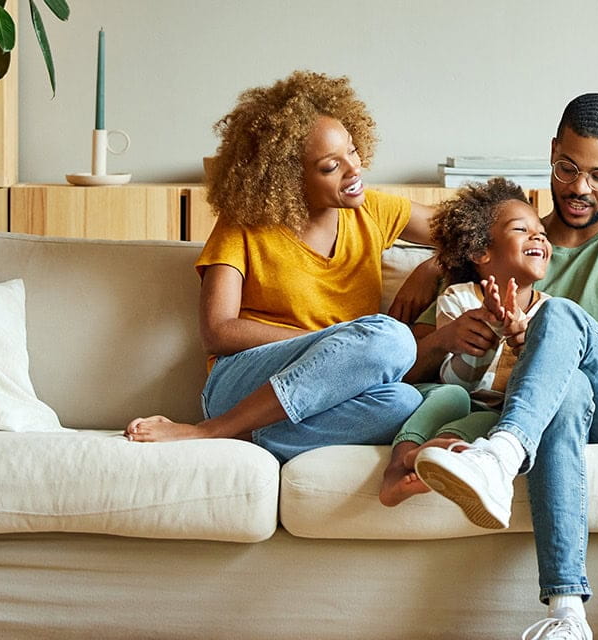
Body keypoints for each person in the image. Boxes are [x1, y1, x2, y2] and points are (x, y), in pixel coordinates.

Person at [403, 93, 598, 639]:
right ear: (553, 152)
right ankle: (567, 616)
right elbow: (411, 359)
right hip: (564, 413)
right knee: (566, 391)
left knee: (558, 317)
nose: (580, 188)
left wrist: (550, 344)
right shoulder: (503, 245)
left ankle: (502, 455)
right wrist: (439, 266)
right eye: (568, 168)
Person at [124, 71, 440, 464]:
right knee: (392, 340)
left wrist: (435, 263)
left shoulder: (374, 210)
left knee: (404, 401)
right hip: (243, 380)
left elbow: (475, 233)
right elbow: (218, 331)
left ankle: (249, 435)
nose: (354, 169)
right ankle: (209, 429)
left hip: (331, 389)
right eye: (330, 166)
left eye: (353, 152)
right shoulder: (244, 224)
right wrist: (334, 342)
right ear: (288, 179)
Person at [378, 178, 552, 507]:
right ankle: (395, 469)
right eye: (521, 230)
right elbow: (458, 380)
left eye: (541, 231)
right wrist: (488, 333)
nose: (538, 236)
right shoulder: (458, 300)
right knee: (452, 396)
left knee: (491, 420)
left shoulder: (549, 315)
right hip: (449, 393)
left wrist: (523, 343)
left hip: (493, 408)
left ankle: (435, 452)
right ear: (479, 251)